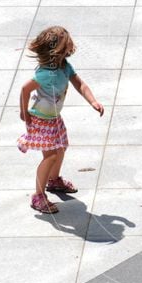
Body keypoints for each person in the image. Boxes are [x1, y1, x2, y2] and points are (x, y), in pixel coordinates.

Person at [17, 26, 104, 214]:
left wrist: (93, 101)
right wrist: (24, 112)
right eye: (67, 43)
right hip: (41, 120)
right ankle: (38, 196)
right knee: (51, 156)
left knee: (61, 148)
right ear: (58, 49)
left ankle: (54, 181)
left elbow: (79, 83)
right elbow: (25, 89)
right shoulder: (45, 73)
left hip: (54, 118)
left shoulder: (64, 66)